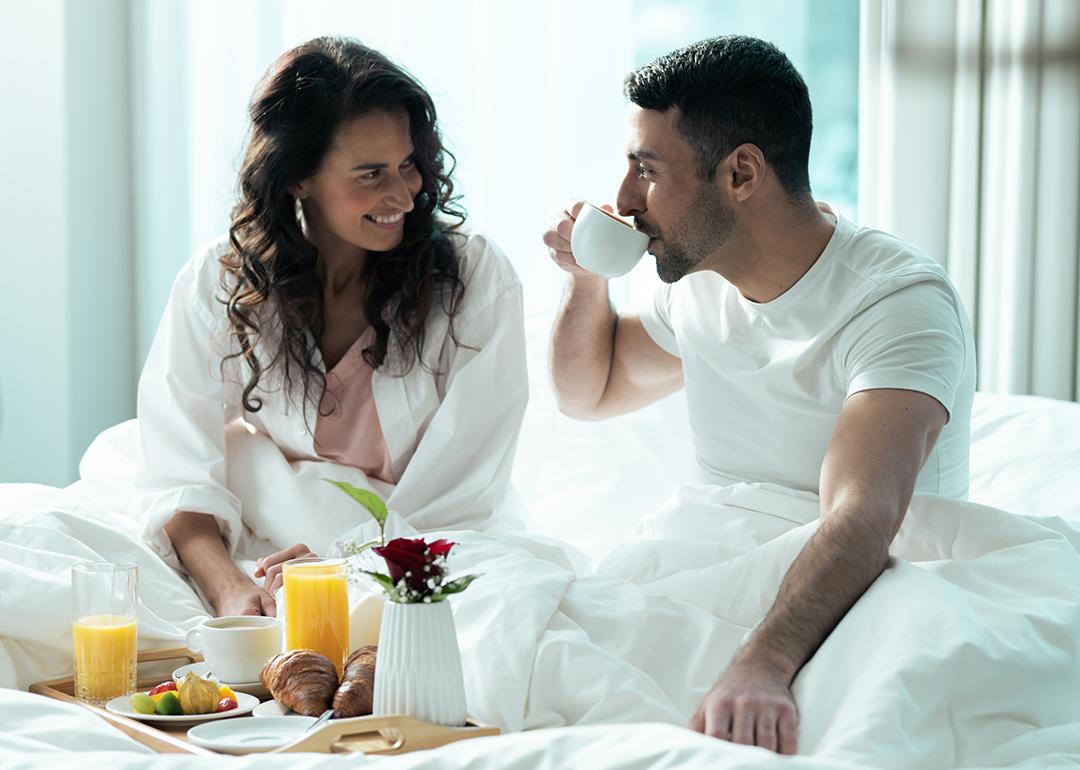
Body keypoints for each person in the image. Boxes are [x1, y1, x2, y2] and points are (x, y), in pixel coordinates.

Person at [543, 36, 975, 755]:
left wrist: (763, 665)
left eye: (646, 171)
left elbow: (864, 514)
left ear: (741, 172)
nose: (621, 201)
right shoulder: (702, 279)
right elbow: (589, 393)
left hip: (859, 573)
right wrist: (587, 280)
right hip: (712, 557)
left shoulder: (896, 301)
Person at [137, 37, 527, 619]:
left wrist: (343, 573)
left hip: (429, 557)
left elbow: (461, 505)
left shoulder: (474, 279)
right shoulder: (221, 281)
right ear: (297, 178)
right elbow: (178, 469)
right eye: (370, 175)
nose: (401, 194)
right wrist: (230, 590)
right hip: (280, 546)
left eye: (408, 165)